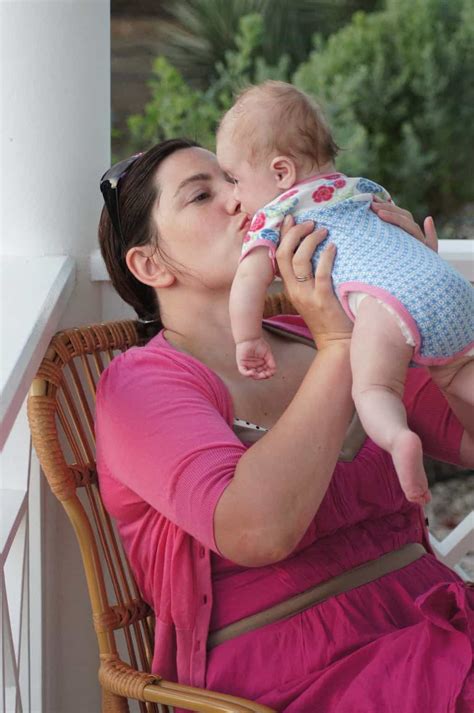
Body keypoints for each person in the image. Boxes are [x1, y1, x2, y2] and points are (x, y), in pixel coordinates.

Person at [96, 138, 474, 713]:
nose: (237, 198)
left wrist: (440, 326)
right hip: (292, 672)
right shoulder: (143, 384)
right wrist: (340, 348)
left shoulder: (320, 324)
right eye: (202, 194)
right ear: (150, 265)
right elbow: (257, 532)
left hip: (431, 615)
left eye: (233, 179)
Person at [216, 81, 474, 507]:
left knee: (375, 390)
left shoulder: (277, 213)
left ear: (281, 173)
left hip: (385, 306)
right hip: (446, 286)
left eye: (234, 179)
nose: (234, 197)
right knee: (461, 371)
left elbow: (249, 280)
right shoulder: (364, 188)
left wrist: (247, 338)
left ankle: (397, 439)